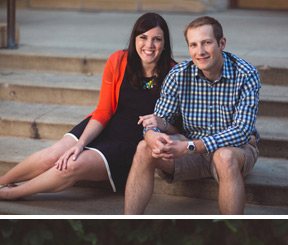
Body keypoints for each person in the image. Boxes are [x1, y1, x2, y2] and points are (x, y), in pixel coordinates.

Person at [0, 13, 174, 202]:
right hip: (105, 124)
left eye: (157, 39)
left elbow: (177, 123)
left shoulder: (174, 74)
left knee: (71, 165)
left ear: (164, 44)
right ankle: (3, 181)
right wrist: (80, 144)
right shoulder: (118, 60)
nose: (149, 45)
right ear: (134, 39)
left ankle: (12, 193)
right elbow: (104, 111)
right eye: (143, 38)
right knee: (53, 156)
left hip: (130, 143)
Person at [125, 16, 261, 216]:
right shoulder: (179, 74)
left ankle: (229, 237)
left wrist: (189, 147)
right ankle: (130, 220)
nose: (200, 51)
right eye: (194, 45)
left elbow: (241, 132)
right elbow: (160, 118)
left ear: (221, 43)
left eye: (207, 43)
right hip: (190, 150)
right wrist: (151, 134)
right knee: (144, 148)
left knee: (224, 157)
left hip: (233, 149)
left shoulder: (246, 74)